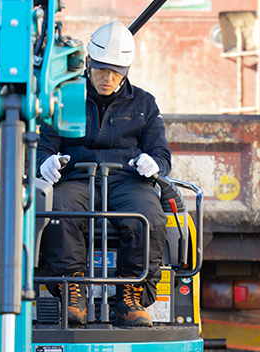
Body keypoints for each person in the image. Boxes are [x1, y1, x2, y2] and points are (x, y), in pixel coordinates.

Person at [37, 21, 170, 327]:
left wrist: (154, 164)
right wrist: (45, 163)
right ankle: (74, 292)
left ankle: (130, 296)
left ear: (127, 69)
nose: (107, 78)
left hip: (126, 182)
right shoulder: (65, 98)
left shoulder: (144, 104)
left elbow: (161, 154)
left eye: (116, 71)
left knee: (149, 213)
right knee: (58, 207)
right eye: (100, 69)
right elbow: (44, 147)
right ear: (88, 62)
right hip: (78, 179)